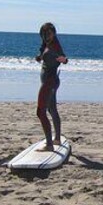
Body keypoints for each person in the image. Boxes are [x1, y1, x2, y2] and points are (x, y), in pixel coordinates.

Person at [35, 23, 68, 152]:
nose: (46, 36)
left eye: (48, 33)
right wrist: (40, 57)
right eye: (44, 34)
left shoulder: (54, 45)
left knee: (40, 112)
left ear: (53, 33)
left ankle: (49, 145)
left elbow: (64, 58)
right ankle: (57, 139)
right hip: (51, 81)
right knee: (52, 109)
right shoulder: (48, 44)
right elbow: (46, 54)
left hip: (49, 82)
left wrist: (64, 60)